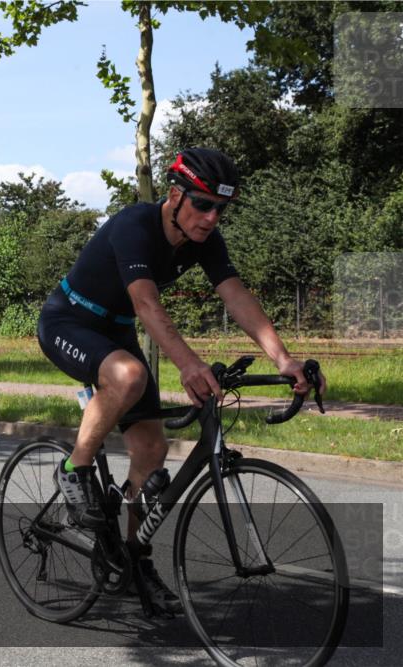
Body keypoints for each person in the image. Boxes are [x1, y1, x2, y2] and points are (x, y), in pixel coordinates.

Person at [37, 147, 326, 614]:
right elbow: (147, 304)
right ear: (175, 195)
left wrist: (285, 359)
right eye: (203, 203)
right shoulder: (134, 225)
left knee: (151, 452)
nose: (212, 217)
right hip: (68, 321)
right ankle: (75, 471)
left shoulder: (205, 240)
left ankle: (134, 559)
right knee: (128, 375)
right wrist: (189, 364)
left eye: (220, 208)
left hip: (115, 329)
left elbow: (237, 296)